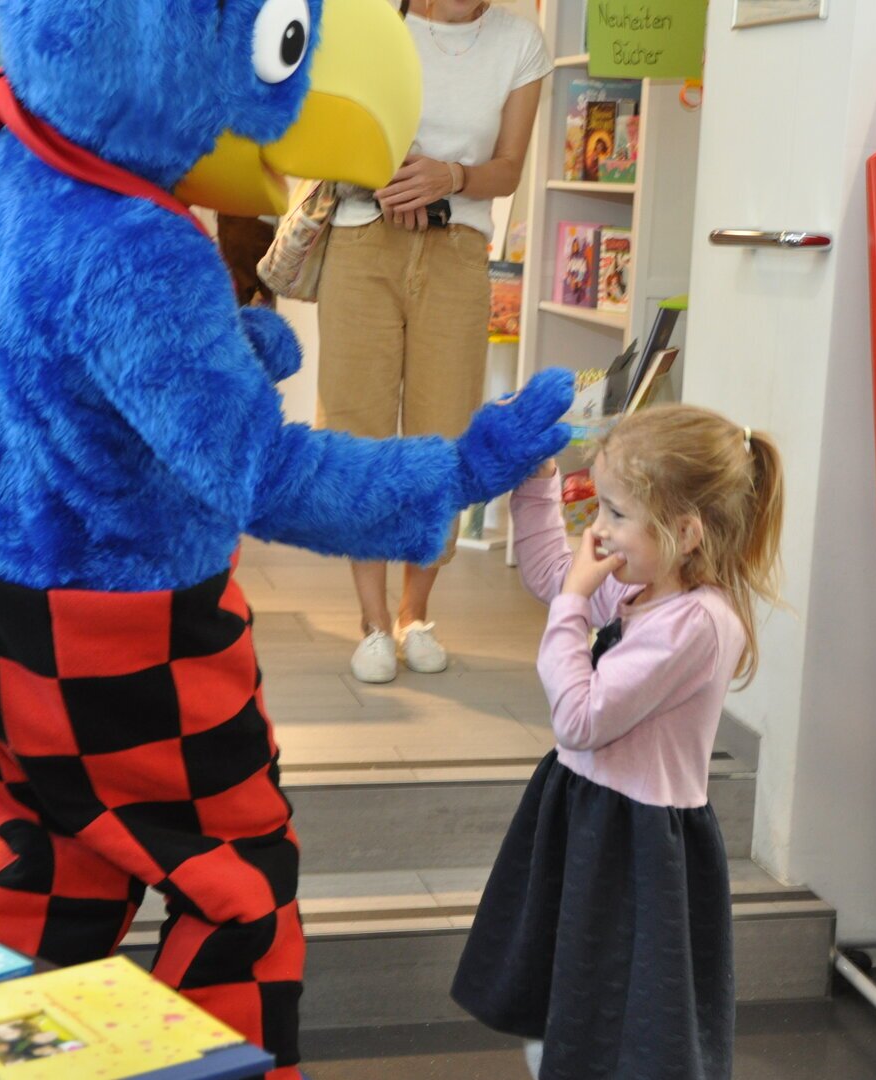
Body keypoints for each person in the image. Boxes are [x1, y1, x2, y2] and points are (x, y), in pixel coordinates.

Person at [452, 406, 786, 1080]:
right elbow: (553, 573)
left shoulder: (694, 623)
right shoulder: (649, 589)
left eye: (616, 512)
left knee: (617, 1020)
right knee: (568, 1000)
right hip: (591, 816)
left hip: (633, 843)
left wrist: (574, 605)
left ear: (684, 532)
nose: (598, 529)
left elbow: (580, 717)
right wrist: (539, 480)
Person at [316, 0, 550, 683]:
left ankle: (413, 615)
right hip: (363, 239)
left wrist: (451, 177)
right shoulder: (372, 20)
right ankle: (371, 622)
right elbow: (325, 132)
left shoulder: (520, 43)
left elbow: (509, 168)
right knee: (358, 431)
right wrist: (387, 175)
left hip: (458, 250)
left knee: (442, 435)